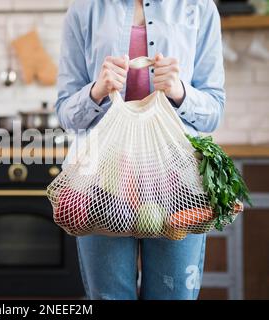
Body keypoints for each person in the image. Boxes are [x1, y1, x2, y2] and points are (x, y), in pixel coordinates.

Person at [56, 0, 225, 300]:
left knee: (173, 296)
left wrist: (179, 91)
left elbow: (214, 111)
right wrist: (97, 90)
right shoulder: (83, 9)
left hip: (178, 184)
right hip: (99, 184)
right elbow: (67, 115)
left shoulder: (199, 7)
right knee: (109, 297)